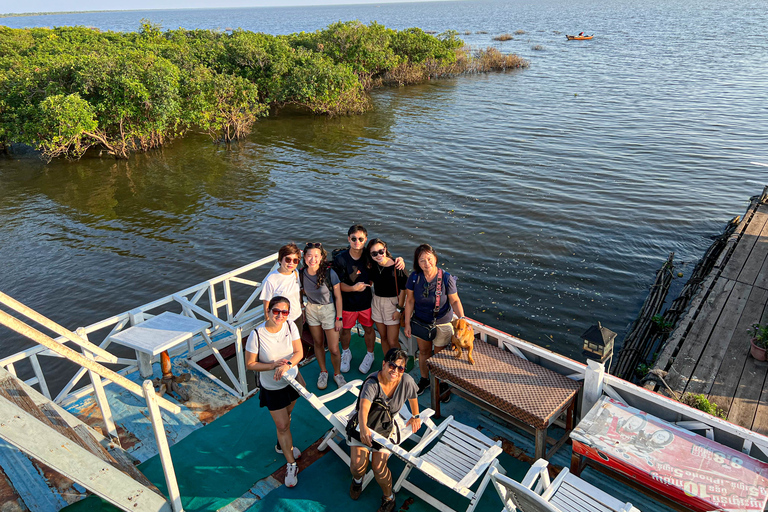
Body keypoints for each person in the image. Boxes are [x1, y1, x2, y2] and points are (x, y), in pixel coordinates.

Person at [349, 348, 420, 512]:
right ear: (383, 363)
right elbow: (363, 408)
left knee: (379, 468)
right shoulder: (372, 383)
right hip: (365, 423)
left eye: (400, 368)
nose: (395, 371)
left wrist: (416, 416)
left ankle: (389, 497)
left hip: (385, 427)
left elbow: (413, 396)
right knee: (357, 466)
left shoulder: (406, 381)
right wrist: (364, 429)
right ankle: (358, 480)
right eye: (392, 365)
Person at [245, 296, 304, 488]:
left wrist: (287, 365)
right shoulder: (257, 334)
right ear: (268, 311)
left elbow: (299, 353)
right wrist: (272, 366)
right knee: (282, 425)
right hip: (272, 387)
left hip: (292, 381)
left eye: (284, 312)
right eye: (276, 311)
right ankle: (291, 464)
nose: (280, 315)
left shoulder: (290, 326)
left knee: (287, 416)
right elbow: (250, 363)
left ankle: (281, 445)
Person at [333, 225, 404, 375]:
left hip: (367, 302)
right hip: (347, 303)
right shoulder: (340, 259)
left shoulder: (369, 255)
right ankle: (346, 353)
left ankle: (370, 355)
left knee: (369, 329)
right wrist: (353, 288)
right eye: (353, 239)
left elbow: (383, 259)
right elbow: (337, 285)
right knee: (345, 330)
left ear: (365, 239)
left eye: (360, 239)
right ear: (348, 239)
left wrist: (399, 259)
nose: (357, 242)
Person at [403, 244, 466, 396]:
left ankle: (442, 383)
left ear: (435, 259)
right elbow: (410, 301)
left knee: (439, 355)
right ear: (417, 263)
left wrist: (462, 319)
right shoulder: (414, 277)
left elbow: (455, 300)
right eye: (422, 260)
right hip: (421, 321)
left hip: (442, 322)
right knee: (424, 352)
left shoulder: (446, 278)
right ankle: (425, 379)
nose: (426, 263)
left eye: (429, 259)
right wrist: (407, 323)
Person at [300, 242, 346, 390]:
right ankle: (323, 372)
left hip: (329, 310)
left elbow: (338, 297)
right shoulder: (301, 273)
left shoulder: (329, 273)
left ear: (321, 257)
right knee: (317, 343)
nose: (312, 259)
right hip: (311, 309)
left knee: (333, 348)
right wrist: (301, 306)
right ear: (304, 257)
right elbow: (298, 291)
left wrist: (339, 318)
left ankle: (337, 374)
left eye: (316, 256)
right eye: (309, 256)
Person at [367, 238, 408, 356]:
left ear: (385, 249)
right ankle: (387, 361)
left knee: (393, 340)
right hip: (377, 302)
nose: (378, 255)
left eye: (381, 251)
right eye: (374, 253)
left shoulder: (397, 266)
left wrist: (399, 309)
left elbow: (404, 290)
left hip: (393, 304)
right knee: (383, 337)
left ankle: (399, 363)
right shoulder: (372, 266)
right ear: (370, 255)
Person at [260, 244, 303, 334]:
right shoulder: (271, 279)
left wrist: (302, 311)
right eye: (288, 259)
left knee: (297, 345)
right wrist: (270, 324)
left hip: (297, 317)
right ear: (280, 260)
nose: (291, 263)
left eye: (295, 260)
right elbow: (267, 305)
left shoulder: (295, 273)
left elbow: (298, 294)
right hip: (281, 320)